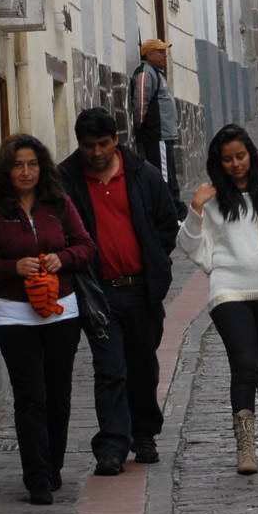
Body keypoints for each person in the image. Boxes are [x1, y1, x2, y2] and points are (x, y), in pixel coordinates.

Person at [0, 135, 98, 504]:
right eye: (19, 165)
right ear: (6, 170)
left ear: (43, 168)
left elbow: (86, 246)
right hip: (15, 318)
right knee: (30, 397)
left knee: (58, 396)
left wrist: (64, 258)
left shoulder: (59, 205)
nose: (26, 172)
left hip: (62, 312)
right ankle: (37, 478)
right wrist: (12, 267)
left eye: (33, 164)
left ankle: (52, 468)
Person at [179, 126, 258, 475]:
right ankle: (244, 445)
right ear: (217, 162)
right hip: (229, 291)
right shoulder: (212, 199)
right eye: (228, 159)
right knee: (245, 363)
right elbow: (191, 247)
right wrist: (195, 209)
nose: (236, 164)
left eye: (241, 156)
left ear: (251, 154)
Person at [59, 108, 182, 469]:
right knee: (110, 368)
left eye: (103, 143)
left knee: (143, 365)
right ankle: (112, 445)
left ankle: (143, 434)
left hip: (143, 289)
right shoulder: (66, 182)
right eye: (88, 145)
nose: (96, 152)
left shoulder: (143, 175)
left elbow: (166, 222)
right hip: (98, 293)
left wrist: (157, 260)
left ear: (116, 140)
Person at [131, 38, 183, 212]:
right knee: (163, 176)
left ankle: (173, 207)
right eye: (159, 52)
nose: (164, 56)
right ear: (149, 54)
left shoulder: (156, 72)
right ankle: (167, 210)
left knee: (168, 174)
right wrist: (141, 126)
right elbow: (140, 102)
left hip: (163, 135)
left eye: (164, 52)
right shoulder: (146, 72)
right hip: (156, 135)